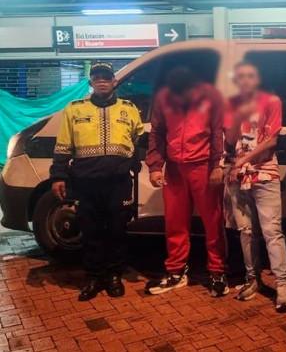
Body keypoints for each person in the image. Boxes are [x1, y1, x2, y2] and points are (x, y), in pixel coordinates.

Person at [50, 62, 144, 301]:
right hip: (85, 183)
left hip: (118, 183)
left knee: (117, 230)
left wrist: (132, 162)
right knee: (90, 231)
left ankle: (114, 276)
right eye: (97, 77)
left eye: (106, 77)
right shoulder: (74, 110)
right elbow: (63, 146)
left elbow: (138, 138)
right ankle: (93, 277)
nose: (102, 81)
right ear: (91, 82)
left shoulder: (129, 109)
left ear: (114, 81)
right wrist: (58, 176)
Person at [145, 67, 228, 297]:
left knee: (213, 222)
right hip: (174, 168)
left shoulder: (211, 95)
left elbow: (218, 132)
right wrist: (155, 166)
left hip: (204, 167)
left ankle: (217, 271)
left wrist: (217, 165)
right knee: (175, 222)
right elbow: (157, 132)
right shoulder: (164, 97)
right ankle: (176, 271)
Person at [223, 59, 286, 312]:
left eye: (250, 76)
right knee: (246, 231)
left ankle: (282, 286)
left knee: (272, 231)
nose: (245, 81)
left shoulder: (271, 102)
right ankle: (252, 279)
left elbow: (271, 141)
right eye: (240, 76)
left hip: (264, 174)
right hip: (238, 178)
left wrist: (242, 161)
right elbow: (229, 141)